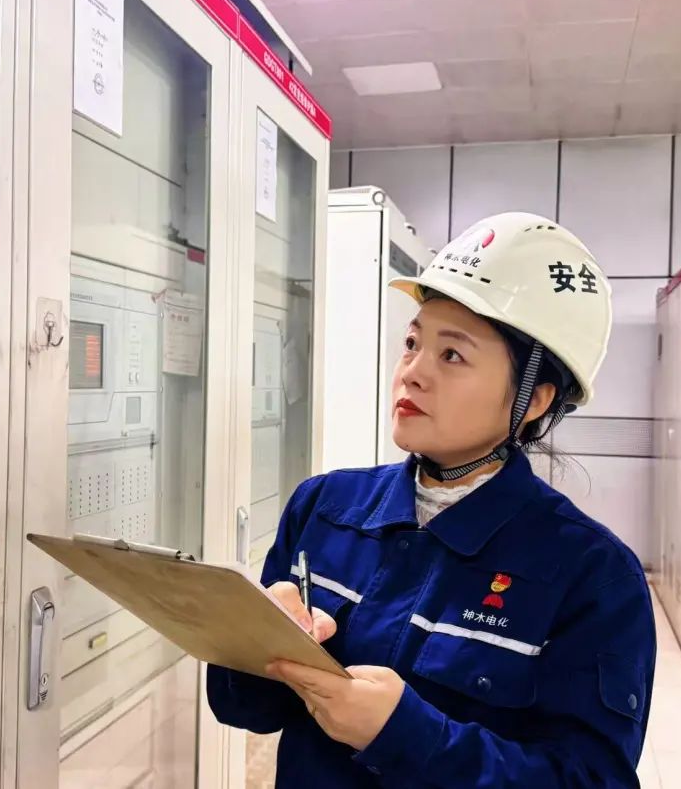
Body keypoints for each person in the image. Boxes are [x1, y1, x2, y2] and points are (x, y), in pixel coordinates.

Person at [207, 212, 657, 787]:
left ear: (535, 400)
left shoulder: (592, 576)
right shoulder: (324, 507)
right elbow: (245, 709)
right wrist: (252, 644)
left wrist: (406, 736)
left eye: (453, 355)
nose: (412, 373)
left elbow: (589, 778)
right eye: (412, 343)